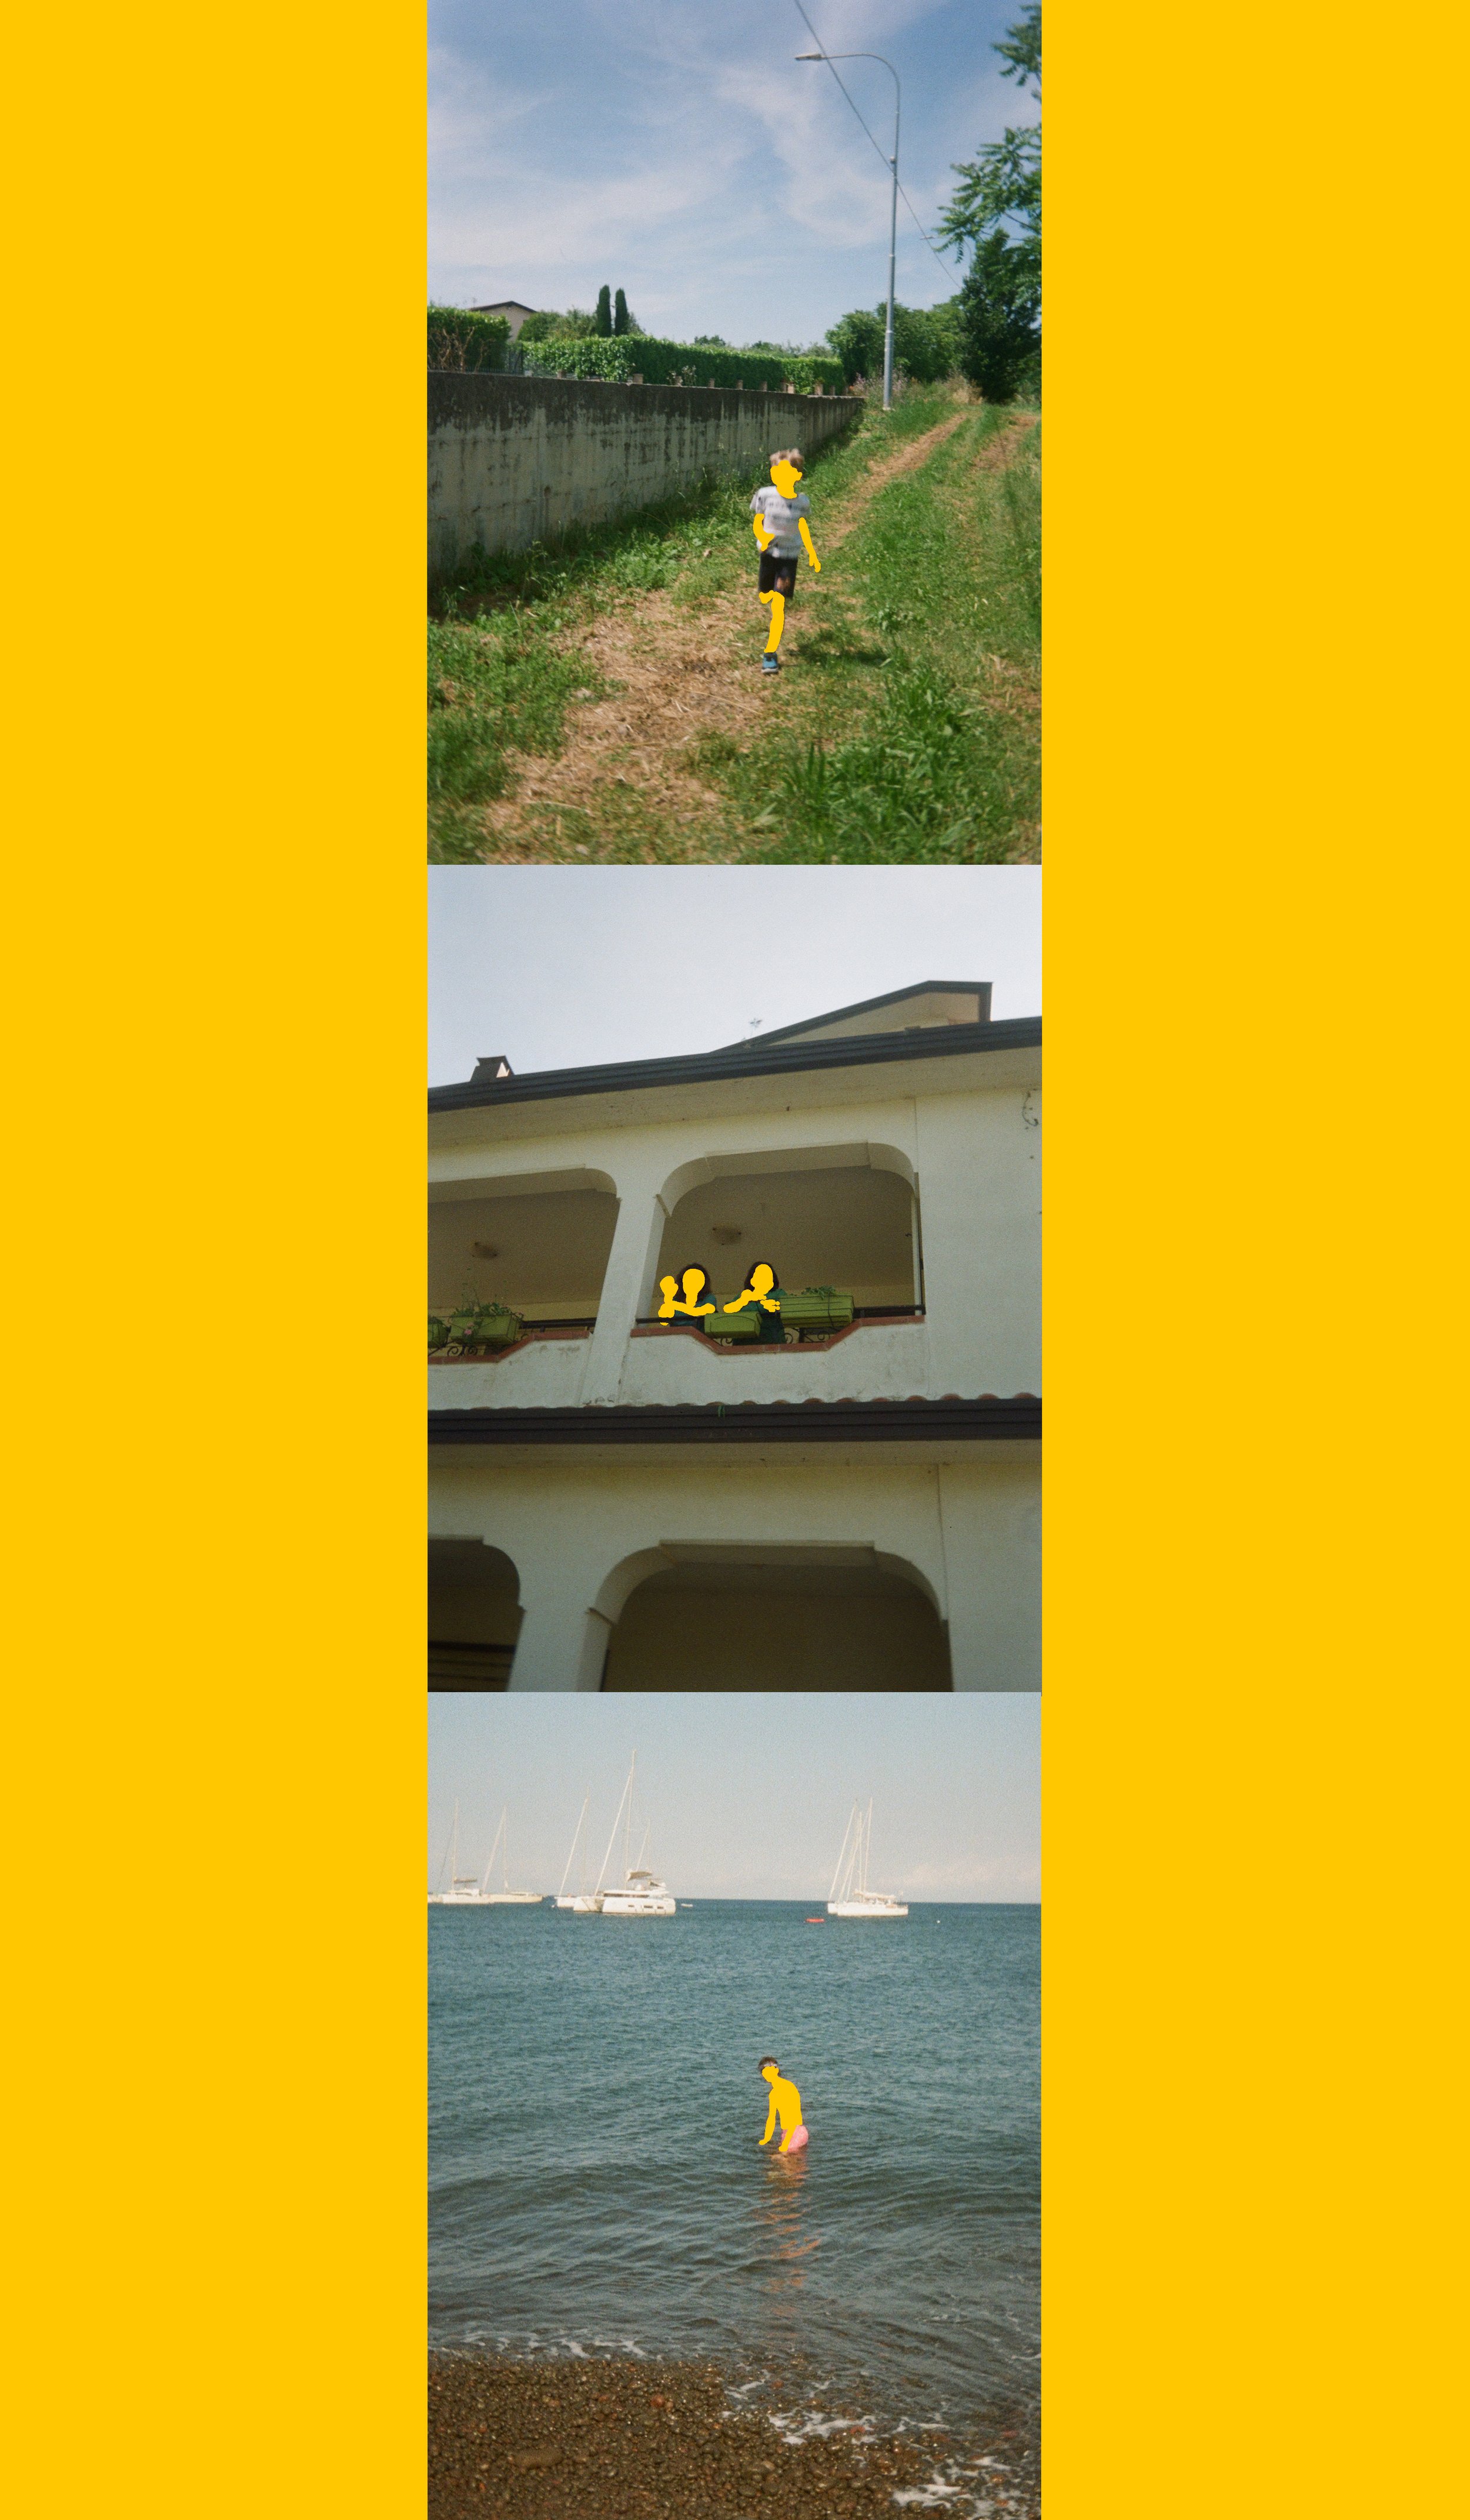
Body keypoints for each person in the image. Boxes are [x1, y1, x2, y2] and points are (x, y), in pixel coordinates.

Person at [750, 450, 821, 675]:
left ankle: (770, 654)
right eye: (776, 470)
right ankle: (767, 593)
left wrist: (812, 552)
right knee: (764, 595)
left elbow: (802, 526)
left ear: (797, 476)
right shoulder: (765, 495)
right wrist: (762, 537)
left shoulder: (802, 502)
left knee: (778, 607)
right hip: (768, 555)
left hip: (789, 559)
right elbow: (757, 523)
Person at [757, 2054, 808, 2154]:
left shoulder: (788, 2087)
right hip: (786, 2132)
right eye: (764, 2073)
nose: (766, 2075)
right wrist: (767, 2138)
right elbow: (771, 2118)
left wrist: (785, 2144)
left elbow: (793, 2116)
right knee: (789, 2164)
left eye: (768, 2071)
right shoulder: (773, 2094)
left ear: (776, 2070)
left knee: (782, 2160)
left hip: (797, 2131)